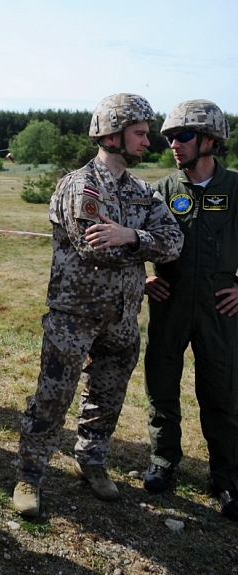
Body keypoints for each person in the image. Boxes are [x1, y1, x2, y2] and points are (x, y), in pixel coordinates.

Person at [12, 93, 184, 518]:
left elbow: (174, 242)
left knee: (107, 396)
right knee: (53, 398)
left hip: (123, 315)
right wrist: (143, 244)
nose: (148, 142)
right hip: (75, 315)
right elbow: (94, 249)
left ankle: (92, 461)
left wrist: (130, 236)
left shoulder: (144, 191)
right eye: (140, 134)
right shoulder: (80, 185)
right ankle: (30, 475)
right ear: (112, 134)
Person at [143, 99, 238, 520]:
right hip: (171, 302)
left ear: (210, 141)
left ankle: (227, 479)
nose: (173, 145)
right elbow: (133, 241)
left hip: (220, 307)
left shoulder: (236, 189)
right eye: (168, 137)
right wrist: (142, 278)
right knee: (162, 386)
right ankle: (163, 462)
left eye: (182, 136)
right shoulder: (161, 191)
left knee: (221, 392)